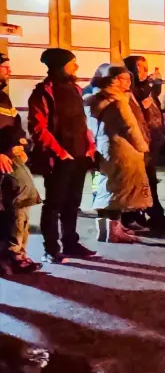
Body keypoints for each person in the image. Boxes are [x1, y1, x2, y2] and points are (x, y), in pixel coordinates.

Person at [28, 48, 97, 260]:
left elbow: (82, 122)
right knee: (54, 204)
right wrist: (60, 152)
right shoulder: (43, 92)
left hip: (79, 155)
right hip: (59, 157)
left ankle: (71, 243)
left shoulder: (75, 89)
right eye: (72, 63)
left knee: (73, 202)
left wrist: (89, 146)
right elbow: (38, 128)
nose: (76, 67)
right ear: (60, 66)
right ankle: (51, 249)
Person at [85, 65, 152, 243]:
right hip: (122, 149)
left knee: (105, 187)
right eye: (123, 79)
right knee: (117, 190)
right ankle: (113, 231)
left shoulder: (95, 98)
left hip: (103, 147)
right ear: (113, 80)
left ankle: (105, 229)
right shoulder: (118, 100)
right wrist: (142, 146)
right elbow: (129, 126)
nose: (127, 83)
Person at [0, 54, 43, 274]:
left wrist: (19, 143)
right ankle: (12, 254)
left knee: (22, 199)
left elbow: (15, 125)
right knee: (18, 197)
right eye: (5, 67)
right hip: (2, 158)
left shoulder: (4, 98)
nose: (9, 72)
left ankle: (16, 253)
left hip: (12, 155)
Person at [123, 54, 165, 235]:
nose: (145, 71)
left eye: (146, 67)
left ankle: (146, 216)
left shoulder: (146, 88)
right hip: (138, 144)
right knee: (142, 182)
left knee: (148, 182)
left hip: (151, 142)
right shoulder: (129, 92)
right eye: (140, 68)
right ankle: (143, 217)